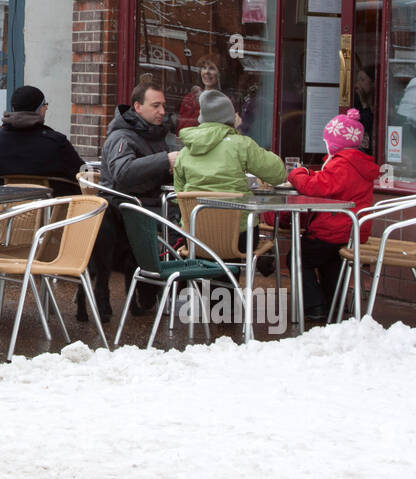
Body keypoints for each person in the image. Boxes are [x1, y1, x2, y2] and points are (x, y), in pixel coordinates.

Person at [93, 75, 181, 321]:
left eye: (164, 105)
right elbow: (122, 173)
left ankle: (164, 290)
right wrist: (165, 161)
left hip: (156, 211)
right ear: (137, 107)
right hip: (124, 215)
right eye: (156, 106)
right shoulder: (122, 137)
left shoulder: (160, 136)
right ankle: (113, 292)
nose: (162, 111)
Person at [174, 89, 288, 264]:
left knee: (211, 255)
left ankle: (210, 285)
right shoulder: (241, 145)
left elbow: (178, 196)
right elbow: (278, 174)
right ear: (231, 117)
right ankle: (231, 283)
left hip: (195, 237)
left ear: (202, 117)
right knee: (242, 235)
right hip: (238, 238)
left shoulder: (184, 151)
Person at [287, 109, 379, 321]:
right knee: (331, 261)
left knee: (299, 256)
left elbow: (316, 187)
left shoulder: (341, 163)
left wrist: (296, 173)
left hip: (333, 227)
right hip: (351, 230)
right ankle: (335, 303)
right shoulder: (357, 162)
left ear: (335, 143)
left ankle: (315, 304)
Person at [0, 85, 82, 189]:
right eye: (44, 104)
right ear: (39, 109)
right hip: (55, 204)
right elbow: (81, 174)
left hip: (7, 204)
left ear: (13, 109)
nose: (46, 108)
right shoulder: (56, 143)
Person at [177, 57, 221, 132]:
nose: (207, 72)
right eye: (204, 68)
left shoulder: (223, 100)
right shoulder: (191, 97)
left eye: (212, 68)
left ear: (219, 74)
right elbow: (181, 126)